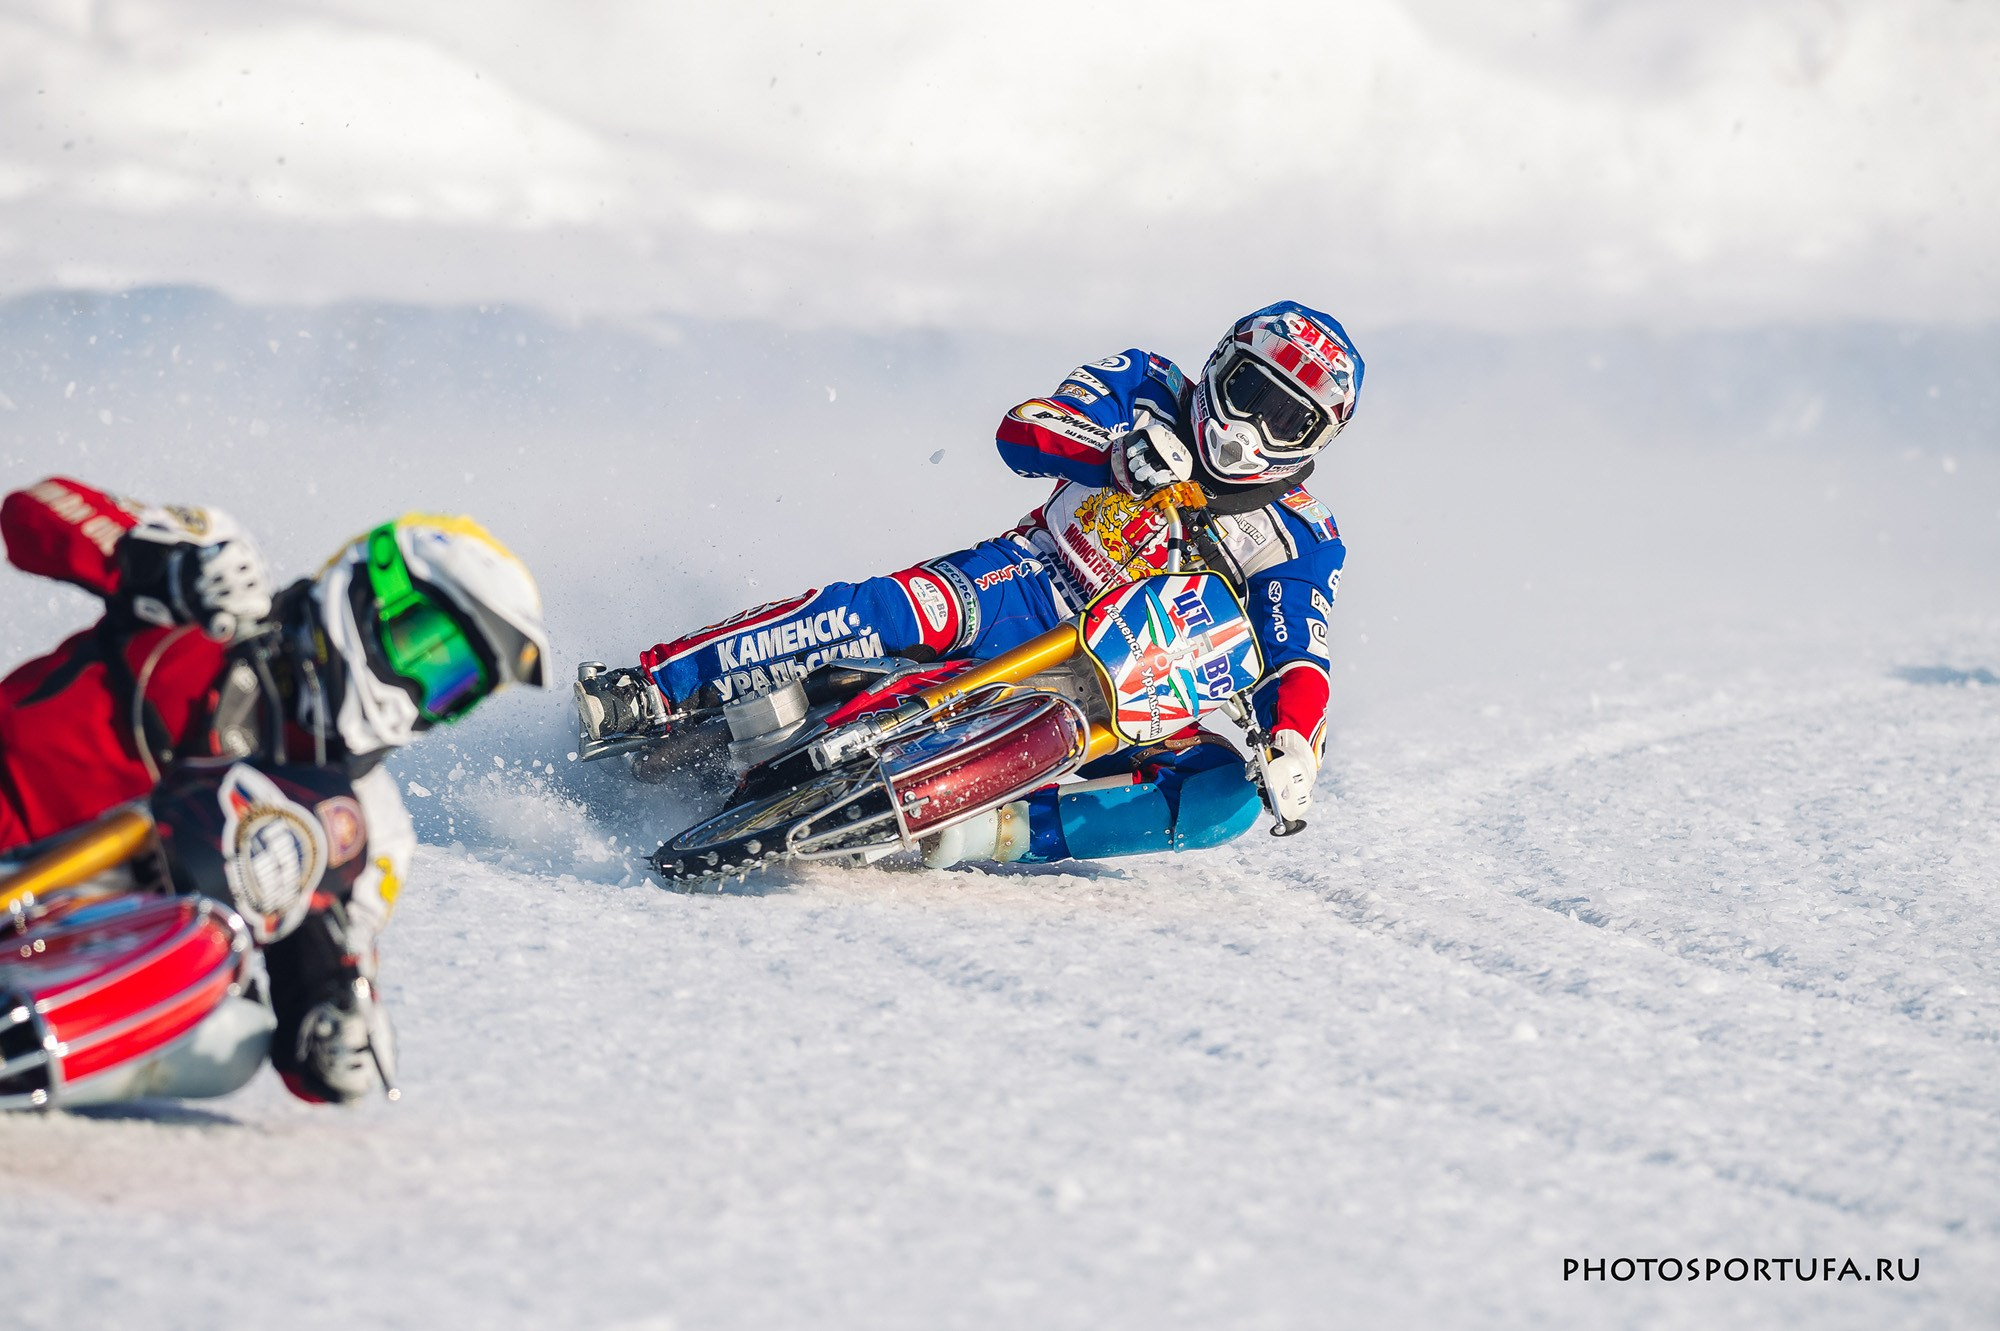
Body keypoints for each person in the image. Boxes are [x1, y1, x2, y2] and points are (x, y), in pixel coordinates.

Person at [578, 301, 1358, 866]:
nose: (1251, 430)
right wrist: (1115, 456)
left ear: (1314, 443)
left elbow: (1298, 652)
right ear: (1220, 365)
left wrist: (1291, 743)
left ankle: (987, 832)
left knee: (1227, 793)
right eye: (1250, 394)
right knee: (882, 610)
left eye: (1286, 422)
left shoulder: (1303, 534)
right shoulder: (1147, 382)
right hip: (1026, 580)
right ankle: (652, 686)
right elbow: (1027, 427)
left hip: (1131, 690)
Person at [0, 477, 549, 1101]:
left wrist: (335, 1030)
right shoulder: (222, 589)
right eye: (423, 647)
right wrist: (155, 563)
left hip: (54, 945)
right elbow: (30, 512)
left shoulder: (363, 827)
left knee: (233, 1029)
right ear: (376, 589)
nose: (419, 691)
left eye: (453, 683)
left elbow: (321, 1007)